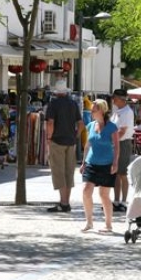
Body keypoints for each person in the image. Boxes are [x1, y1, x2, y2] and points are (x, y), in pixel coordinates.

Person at [81, 99, 119, 233]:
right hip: (91, 163)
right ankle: (89, 222)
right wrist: (83, 162)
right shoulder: (90, 126)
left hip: (106, 164)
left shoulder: (112, 127)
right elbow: (87, 145)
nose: (91, 112)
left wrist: (115, 163)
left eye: (94, 110)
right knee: (86, 191)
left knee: (104, 195)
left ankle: (108, 225)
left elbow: (117, 147)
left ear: (102, 111)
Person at [46, 80, 83, 213]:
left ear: (56, 92)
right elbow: (81, 124)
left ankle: (63, 202)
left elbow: (50, 123)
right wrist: (76, 137)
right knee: (69, 172)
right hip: (70, 142)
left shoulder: (53, 104)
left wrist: (49, 138)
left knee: (59, 172)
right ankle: (66, 202)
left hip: (57, 141)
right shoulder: (73, 104)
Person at [111, 89, 135, 212]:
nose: (113, 100)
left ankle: (124, 201)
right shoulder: (117, 111)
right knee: (116, 173)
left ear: (121, 99)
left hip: (123, 143)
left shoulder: (127, 112)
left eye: (114, 97)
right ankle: (116, 200)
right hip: (116, 143)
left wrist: (112, 143)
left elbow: (122, 131)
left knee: (122, 173)